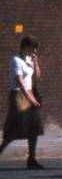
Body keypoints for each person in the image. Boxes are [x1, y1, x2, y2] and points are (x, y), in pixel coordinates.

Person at [0, 35, 45, 169]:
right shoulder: (15, 60)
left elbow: (37, 76)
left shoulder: (29, 60)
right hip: (18, 96)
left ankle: (31, 159)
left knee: (34, 128)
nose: (35, 52)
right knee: (14, 128)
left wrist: (36, 63)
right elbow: (19, 81)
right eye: (33, 49)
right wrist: (30, 99)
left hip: (30, 93)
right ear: (26, 47)